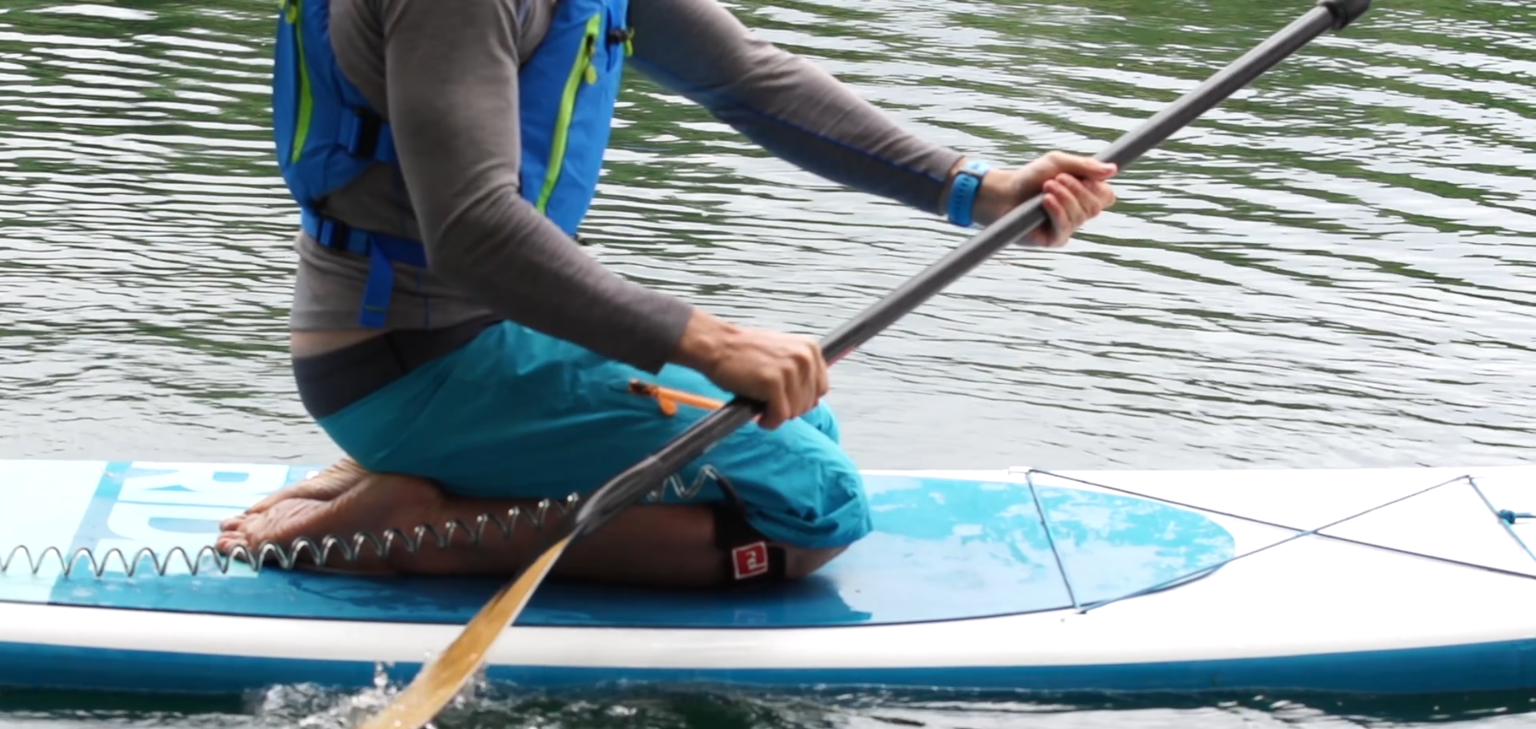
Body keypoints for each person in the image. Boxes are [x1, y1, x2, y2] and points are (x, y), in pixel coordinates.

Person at [216, 0, 1118, 588]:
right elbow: (472, 230)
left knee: (801, 423)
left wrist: (975, 187)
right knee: (812, 509)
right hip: (415, 360)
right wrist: (714, 344)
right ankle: (422, 525)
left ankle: (421, 470)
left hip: (491, 339)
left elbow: (750, 79)